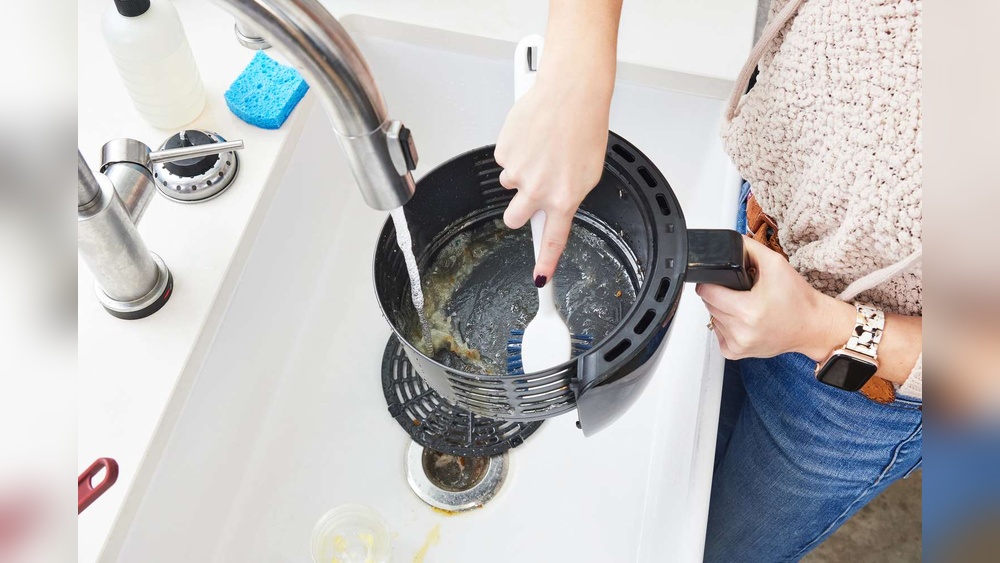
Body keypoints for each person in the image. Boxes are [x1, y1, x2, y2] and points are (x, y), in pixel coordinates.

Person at [494, 0, 923, 560]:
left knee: (708, 548)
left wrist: (824, 326)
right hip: (759, 212)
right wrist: (577, 65)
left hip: (860, 382)